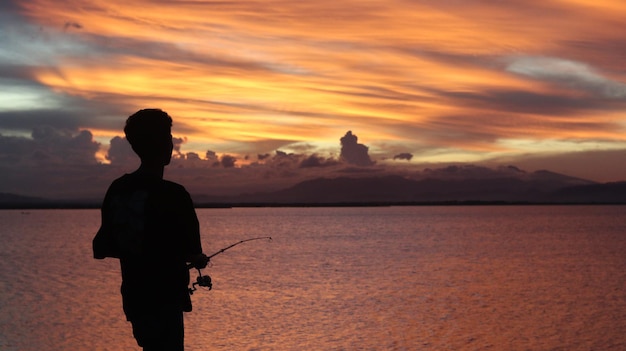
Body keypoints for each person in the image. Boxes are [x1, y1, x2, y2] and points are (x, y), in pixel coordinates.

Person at [93, 108, 209, 351]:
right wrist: (196, 259)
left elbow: (102, 246)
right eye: (169, 137)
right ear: (163, 143)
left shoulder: (118, 189)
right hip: (166, 299)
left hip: (135, 299)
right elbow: (193, 252)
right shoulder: (175, 195)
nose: (172, 144)